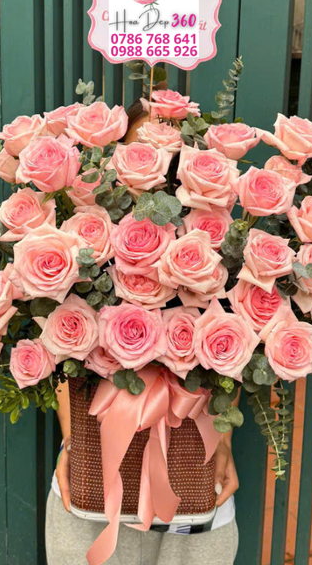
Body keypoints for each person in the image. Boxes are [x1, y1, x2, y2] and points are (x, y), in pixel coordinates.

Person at [45, 100, 240, 564]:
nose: (154, 166)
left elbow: (236, 349)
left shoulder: (224, 246)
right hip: (95, 481)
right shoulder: (81, 239)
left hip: (193, 479)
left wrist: (225, 442)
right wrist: (72, 441)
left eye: (169, 156)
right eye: (140, 150)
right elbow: (59, 347)